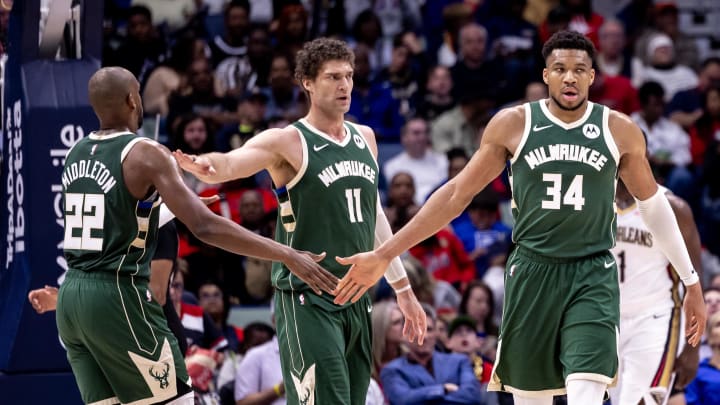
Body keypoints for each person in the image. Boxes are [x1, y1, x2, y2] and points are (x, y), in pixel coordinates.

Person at [333, 30, 707, 405]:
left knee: (586, 392)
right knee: (532, 399)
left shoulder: (619, 129)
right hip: (532, 272)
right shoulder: (514, 124)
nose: (570, 77)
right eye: (559, 69)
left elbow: (653, 204)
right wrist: (385, 254)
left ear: (593, 76)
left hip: (591, 272)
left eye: (580, 69)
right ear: (545, 75)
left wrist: (691, 281)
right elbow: (455, 195)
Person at [54, 66, 338, 405]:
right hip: (117, 295)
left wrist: (173, 208)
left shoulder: (76, 152)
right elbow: (205, 227)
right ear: (132, 99)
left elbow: (112, 222)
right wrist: (288, 254)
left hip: (72, 298)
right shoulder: (145, 151)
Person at [173, 38, 427, 405]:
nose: (344, 86)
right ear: (307, 82)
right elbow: (234, 161)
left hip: (357, 298)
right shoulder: (287, 141)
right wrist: (209, 166)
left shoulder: (366, 138)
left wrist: (403, 289)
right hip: (308, 297)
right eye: (332, 77)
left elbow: (375, 221)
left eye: (349, 76)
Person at [609, 180, 703, 405]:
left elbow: (694, 279)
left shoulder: (672, 206)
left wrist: (692, 349)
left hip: (655, 318)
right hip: (606, 318)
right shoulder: (593, 198)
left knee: (640, 401)